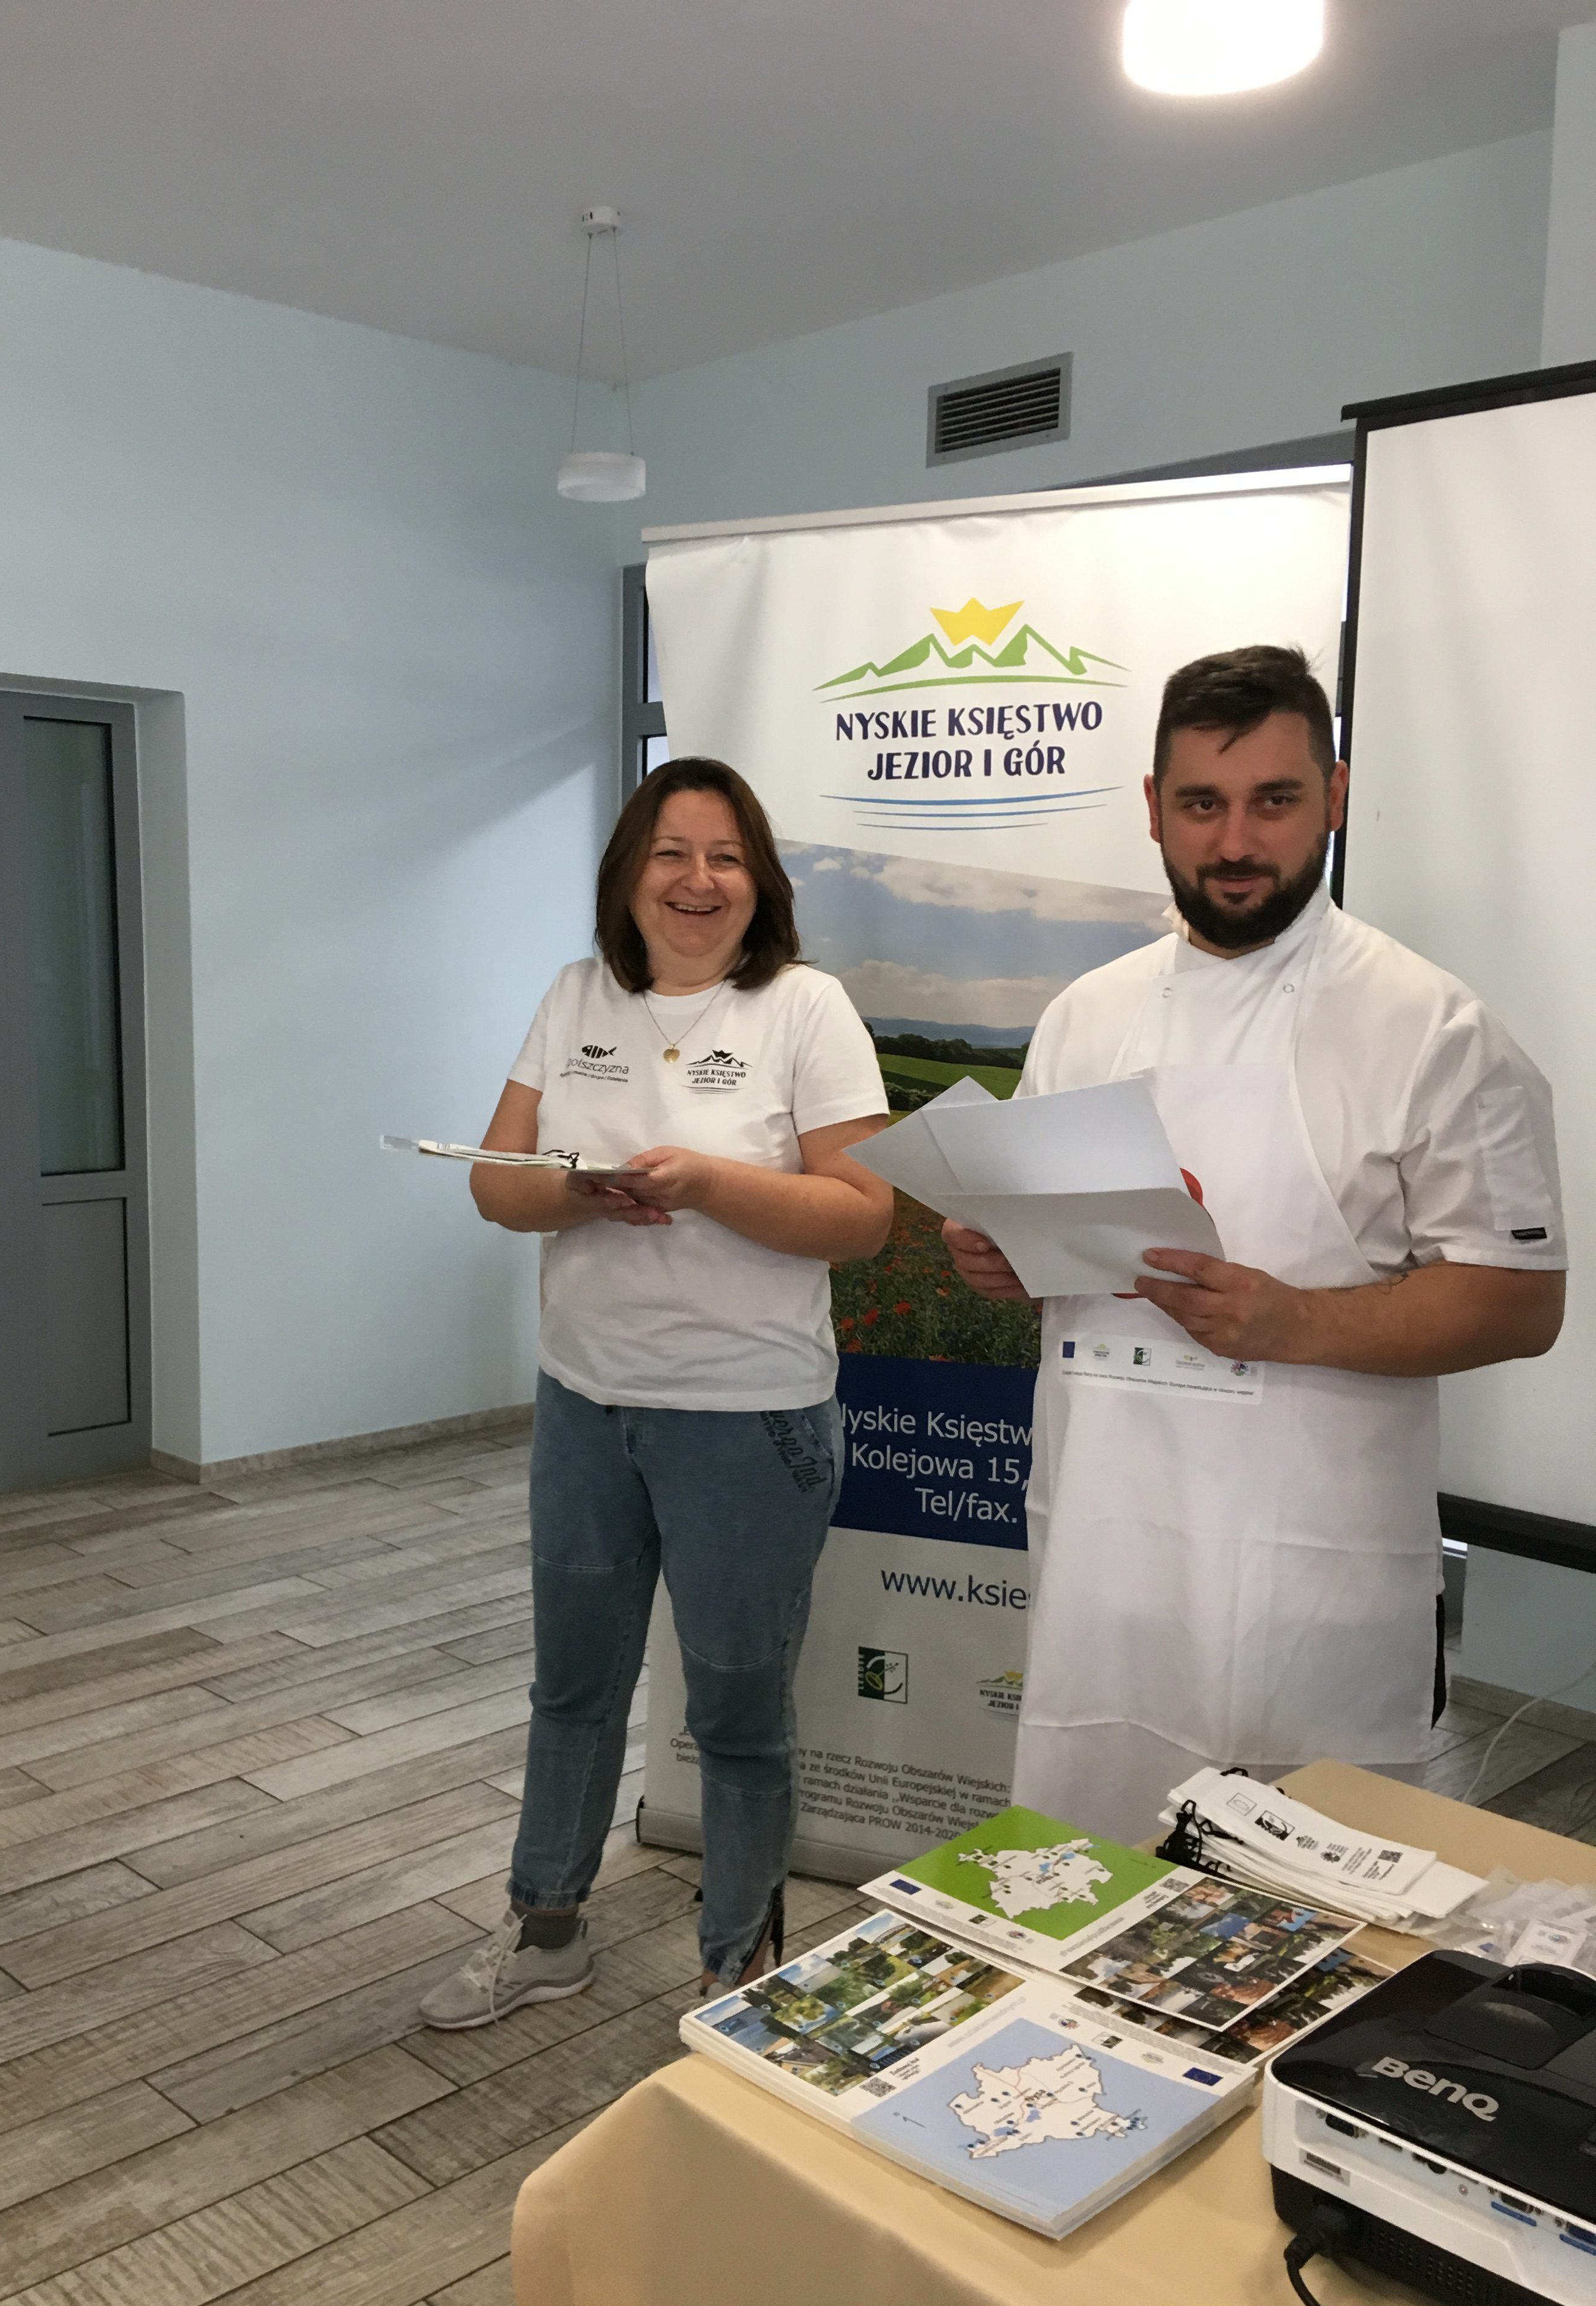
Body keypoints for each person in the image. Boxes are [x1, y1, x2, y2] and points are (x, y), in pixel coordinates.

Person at [943, 645, 1565, 1843]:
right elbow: (1053, 1254)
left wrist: (1297, 1321)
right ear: (1152, 809)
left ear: (1335, 795)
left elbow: (1522, 1301)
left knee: (1309, 1913)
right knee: (1089, 1882)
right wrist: (1009, 1261)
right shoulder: (1085, 1016)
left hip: (1312, 1587)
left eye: (1274, 800)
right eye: (1202, 804)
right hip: (1105, 1568)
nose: (1235, 841)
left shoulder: (1434, 1029)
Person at [419, 755, 891, 2028]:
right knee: (572, 1689)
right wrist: (578, 1190)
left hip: (749, 1421)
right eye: (670, 853)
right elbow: (496, 1184)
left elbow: (863, 1218)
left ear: (760, 882)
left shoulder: (806, 1008)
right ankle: (546, 1926)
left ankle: (739, 1968)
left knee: (737, 1710)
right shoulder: (577, 994)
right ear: (628, 874)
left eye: (725, 857)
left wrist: (709, 1183)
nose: (697, 880)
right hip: (586, 1404)